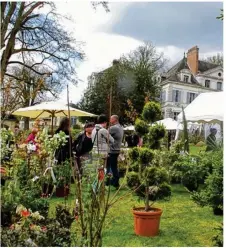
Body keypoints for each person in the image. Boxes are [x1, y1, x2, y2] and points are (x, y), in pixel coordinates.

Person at [107, 115, 124, 189]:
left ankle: (115, 182)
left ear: (114, 119)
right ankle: (112, 181)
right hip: (116, 149)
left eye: (110, 118)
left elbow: (104, 133)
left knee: (111, 167)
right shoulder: (120, 127)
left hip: (112, 150)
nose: (110, 120)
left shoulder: (114, 128)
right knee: (113, 166)